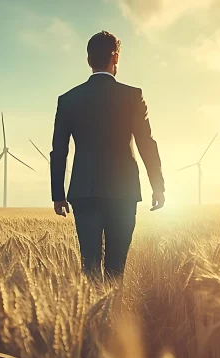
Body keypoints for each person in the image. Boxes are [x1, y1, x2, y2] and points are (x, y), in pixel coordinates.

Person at [50, 30, 166, 279]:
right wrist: (158, 186)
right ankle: (113, 316)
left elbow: (59, 151)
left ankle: (91, 317)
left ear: (88, 59)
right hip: (123, 192)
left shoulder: (68, 100)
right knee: (116, 270)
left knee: (89, 268)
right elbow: (147, 143)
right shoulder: (133, 96)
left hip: (84, 192)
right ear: (115, 58)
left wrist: (58, 194)